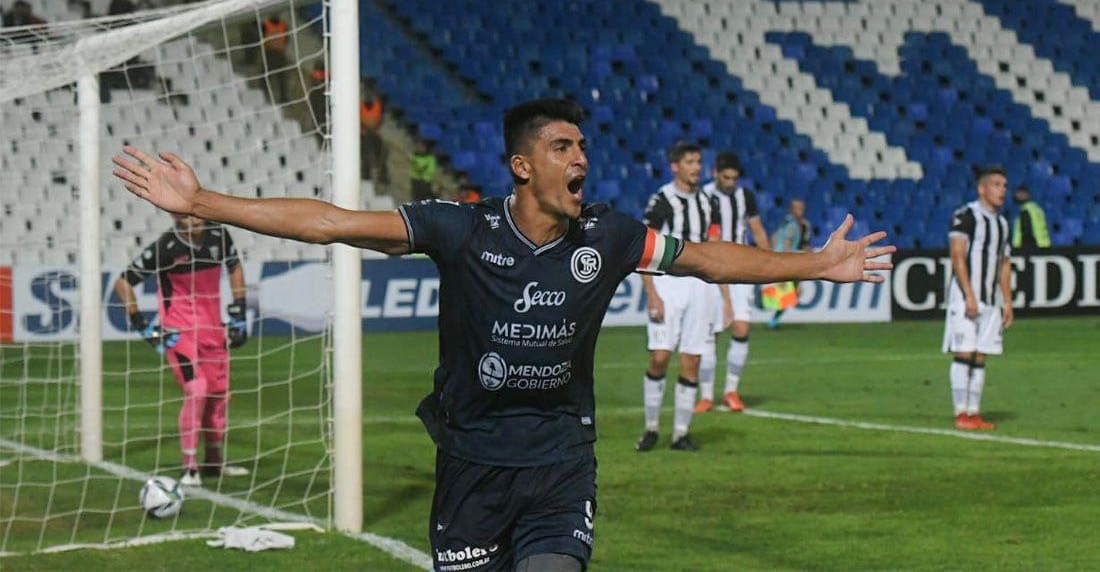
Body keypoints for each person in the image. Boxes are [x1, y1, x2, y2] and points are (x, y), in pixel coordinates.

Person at [111, 98, 892, 571]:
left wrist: (816, 263)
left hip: (558, 464)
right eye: (562, 147)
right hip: (471, 466)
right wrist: (208, 201)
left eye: (582, 147)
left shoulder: (610, 237)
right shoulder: (461, 230)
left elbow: (708, 261)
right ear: (522, 166)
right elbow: (334, 224)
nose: (581, 158)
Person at [114, 214, 251, 486]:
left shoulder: (218, 234)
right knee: (196, 388)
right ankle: (189, 466)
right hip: (178, 332)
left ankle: (214, 461)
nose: (193, 219)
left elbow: (234, 266)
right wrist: (141, 322)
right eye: (186, 215)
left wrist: (239, 309)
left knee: (218, 395)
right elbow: (123, 282)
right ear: (175, 216)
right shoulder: (165, 247)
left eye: (196, 213)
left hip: (213, 329)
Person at [635, 142, 726, 452]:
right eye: (690, 162)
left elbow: (716, 249)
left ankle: (680, 433)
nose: (696, 167)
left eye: (699, 161)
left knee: (692, 361)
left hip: (701, 286)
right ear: (675, 166)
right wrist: (652, 294)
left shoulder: (708, 202)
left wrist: (723, 298)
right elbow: (644, 250)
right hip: (668, 284)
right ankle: (650, 428)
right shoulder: (662, 201)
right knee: (660, 357)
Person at [696, 152, 771, 414]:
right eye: (726, 177)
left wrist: (773, 266)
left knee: (741, 328)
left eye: (734, 179)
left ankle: (731, 391)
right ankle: (706, 396)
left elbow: (758, 231)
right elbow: (712, 239)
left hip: (741, 268)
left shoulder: (745, 196)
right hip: (711, 268)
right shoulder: (704, 197)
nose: (730, 183)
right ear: (715, 173)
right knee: (711, 333)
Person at [944, 165, 1014, 431]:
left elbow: (1004, 263)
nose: (1002, 191)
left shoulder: (1002, 223)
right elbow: (957, 256)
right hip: (965, 297)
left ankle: (974, 412)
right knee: (965, 352)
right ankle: (960, 412)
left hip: (991, 299)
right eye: (996, 185)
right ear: (982, 188)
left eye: (1004, 186)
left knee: (982, 355)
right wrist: (969, 295)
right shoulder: (966, 216)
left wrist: (1007, 301)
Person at [765, 198, 809, 329]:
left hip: (786, 259)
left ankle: (774, 318)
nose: (800, 211)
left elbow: (774, 237)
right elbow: (786, 245)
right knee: (792, 291)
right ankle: (772, 317)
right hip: (785, 260)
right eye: (797, 208)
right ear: (791, 209)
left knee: (793, 292)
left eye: (801, 208)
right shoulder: (791, 225)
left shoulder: (798, 224)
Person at [359, 83, 388, 185]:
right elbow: (359, 120)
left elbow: (380, 119)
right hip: (364, 133)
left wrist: (375, 128)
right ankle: (366, 174)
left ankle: (383, 175)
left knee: (382, 152)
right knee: (365, 153)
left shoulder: (378, 106)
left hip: (374, 133)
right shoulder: (361, 106)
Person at [1012, 184, 1050, 251]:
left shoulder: (1025, 212)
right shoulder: (1038, 210)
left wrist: (1018, 250)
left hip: (1032, 249)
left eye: (1019, 193)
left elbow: (1026, 233)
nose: (1016, 195)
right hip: (1044, 245)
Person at [262, 13, 290, 103]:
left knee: (281, 76)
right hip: (269, 53)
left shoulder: (283, 25)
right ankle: (264, 94)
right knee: (267, 75)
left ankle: (283, 96)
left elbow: (286, 38)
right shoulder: (265, 24)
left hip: (279, 53)